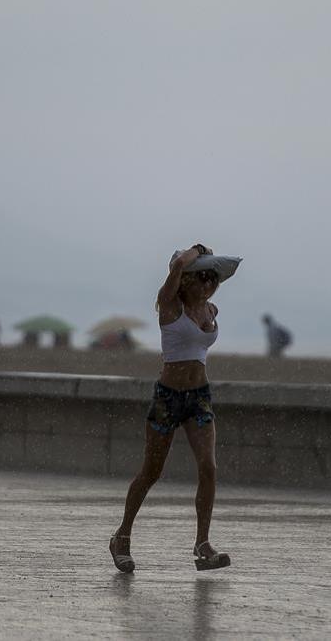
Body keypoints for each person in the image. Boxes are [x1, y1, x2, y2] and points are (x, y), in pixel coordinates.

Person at [110, 244, 232, 573]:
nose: (209, 283)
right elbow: (178, 263)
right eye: (202, 277)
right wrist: (197, 250)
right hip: (168, 398)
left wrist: (209, 263)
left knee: (209, 467)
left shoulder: (211, 311)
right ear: (185, 281)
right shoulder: (169, 305)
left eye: (213, 277)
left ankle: (202, 544)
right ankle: (121, 537)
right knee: (152, 472)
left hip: (199, 398)